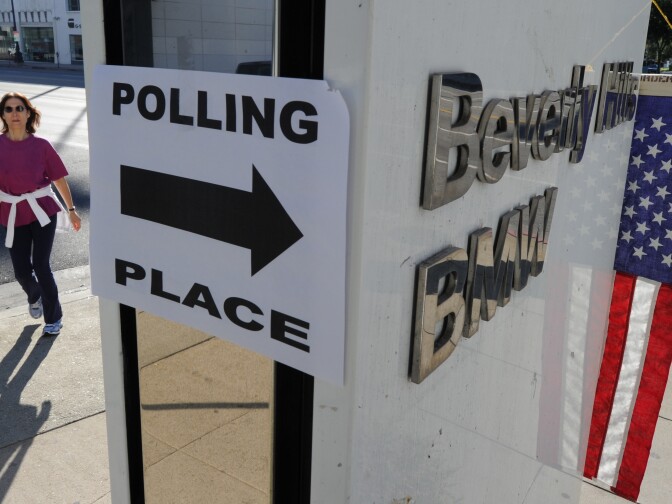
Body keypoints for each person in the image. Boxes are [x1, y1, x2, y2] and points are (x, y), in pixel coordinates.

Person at [0, 92, 81, 336]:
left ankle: (53, 318)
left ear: (28, 113)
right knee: (21, 271)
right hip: (13, 211)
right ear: (3, 115)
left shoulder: (41, 145)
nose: (14, 113)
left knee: (42, 264)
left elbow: (58, 178)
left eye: (19, 108)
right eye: (9, 109)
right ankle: (34, 294)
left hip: (42, 209)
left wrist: (72, 210)